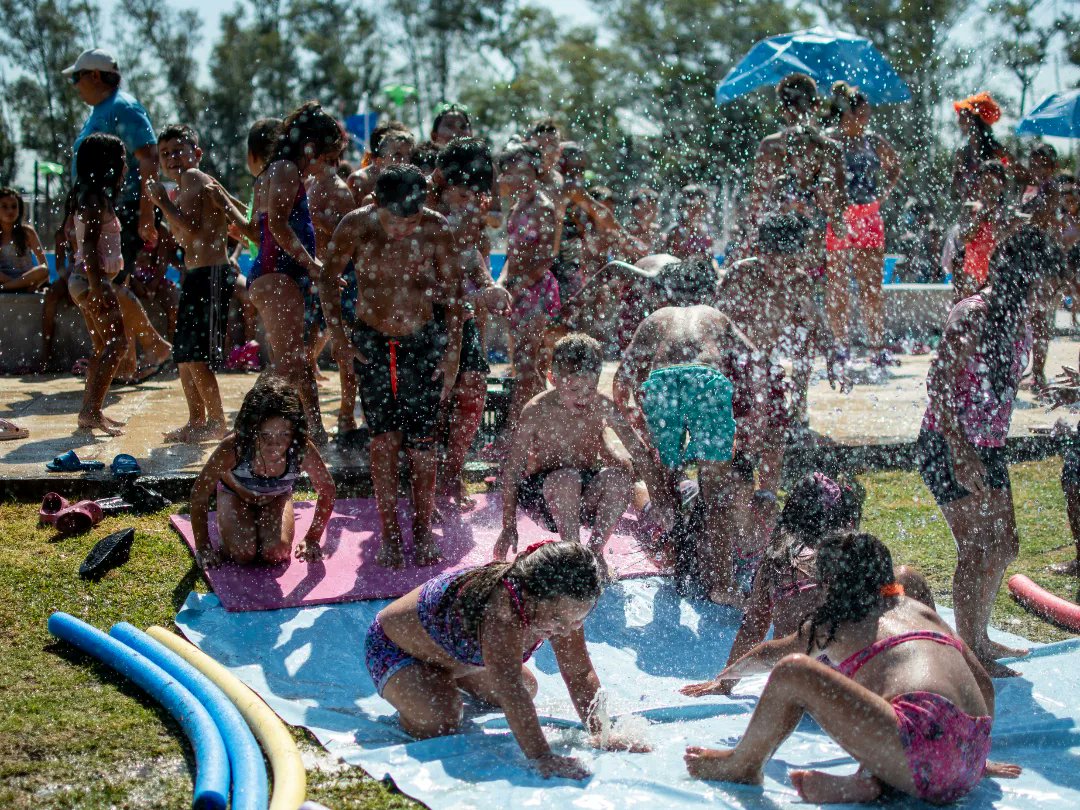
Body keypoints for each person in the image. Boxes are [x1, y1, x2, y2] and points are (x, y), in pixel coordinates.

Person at [682, 532, 1020, 805]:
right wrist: (971, 754)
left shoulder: (833, 624)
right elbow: (983, 684)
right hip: (970, 756)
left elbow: (770, 654)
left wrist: (725, 676)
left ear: (828, 583)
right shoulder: (920, 610)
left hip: (921, 750)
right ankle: (872, 783)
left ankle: (743, 764)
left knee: (793, 671)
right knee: (894, 707)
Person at [366, 540, 648, 778]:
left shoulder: (564, 604)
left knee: (528, 689)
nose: (564, 629)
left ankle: (446, 679)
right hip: (398, 649)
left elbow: (578, 672)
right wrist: (541, 756)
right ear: (530, 594)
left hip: (454, 655)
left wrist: (601, 733)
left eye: (576, 619)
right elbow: (509, 688)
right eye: (556, 619)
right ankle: (420, 697)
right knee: (442, 718)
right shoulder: (502, 613)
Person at [918, 226, 1063, 676]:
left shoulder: (1016, 316)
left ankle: (979, 636)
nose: (1055, 290)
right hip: (948, 444)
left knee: (1006, 544)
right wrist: (961, 451)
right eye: (1048, 280)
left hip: (989, 448)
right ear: (1023, 275)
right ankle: (970, 650)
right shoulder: (973, 313)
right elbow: (938, 385)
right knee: (978, 547)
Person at [321, 164, 462, 569]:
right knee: (383, 441)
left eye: (412, 220)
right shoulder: (356, 226)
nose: (404, 229)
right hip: (373, 341)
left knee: (423, 445)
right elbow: (328, 279)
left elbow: (452, 291)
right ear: (376, 204)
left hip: (422, 341)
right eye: (396, 220)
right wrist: (340, 338)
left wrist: (452, 352)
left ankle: (421, 530)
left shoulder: (435, 228)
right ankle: (389, 533)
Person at [613, 259, 770, 602]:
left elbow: (623, 376)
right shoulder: (716, 316)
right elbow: (755, 358)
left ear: (667, 293)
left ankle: (678, 563)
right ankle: (721, 584)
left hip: (662, 386)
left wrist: (632, 417)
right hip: (706, 381)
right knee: (716, 492)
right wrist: (756, 413)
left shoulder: (656, 317)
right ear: (710, 291)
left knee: (667, 481)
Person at [216, 105, 343, 446]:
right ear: (310, 148)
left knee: (298, 360)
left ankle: (314, 429)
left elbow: (260, 233)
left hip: (273, 275)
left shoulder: (275, 171)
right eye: (327, 158)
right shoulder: (286, 169)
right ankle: (241, 432)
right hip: (277, 276)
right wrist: (314, 266)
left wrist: (318, 267)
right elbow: (277, 226)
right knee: (288, 363)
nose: (326, 168)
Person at [496, 334, 666, 577]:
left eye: (591, 386)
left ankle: (594, 553)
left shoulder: (603, 406)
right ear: (553, 379)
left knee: (619, 478)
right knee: (567, 478)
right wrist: (508, 526)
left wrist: (659, 500)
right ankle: (573, 556)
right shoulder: (536, 411)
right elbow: (512, 470)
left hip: (583, 494)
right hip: (542, 497)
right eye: (575, 387)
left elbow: (639, 451)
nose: (584, 396)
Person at [65, 48, 173, 378]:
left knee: (106, 283)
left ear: (95, 76)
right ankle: (126, 363)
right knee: (105, 282)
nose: (75, 85)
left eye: (76, 77)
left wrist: (144, 214)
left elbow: (149, 156)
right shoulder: (103, 109)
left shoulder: (123, 107)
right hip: (103, 208)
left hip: (121, 212)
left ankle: (153, 348)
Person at [716, 214, 849, 447]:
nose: (781, 271)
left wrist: (832, 357)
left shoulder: (799, 281)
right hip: (734, 366)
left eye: (788, 264)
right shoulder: (740, 275)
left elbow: (816, 324)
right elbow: (714, 326)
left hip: (765, 364)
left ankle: (799, 409)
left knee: (806, 331)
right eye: (775, 262)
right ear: (760, 252)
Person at [431, 138, 511, 508]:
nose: (470, 203)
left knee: (473, 388)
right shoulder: (418, 207)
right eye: (463, 195)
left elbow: (472, 254)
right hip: (422, 318)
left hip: (460, 315)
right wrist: (468, 299)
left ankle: (452, 474)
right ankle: (426, 483)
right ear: (442, 180)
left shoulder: (471, 207)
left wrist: (489, 285)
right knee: (434, 400)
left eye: (476, 196)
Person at [189, 376, 335, 569]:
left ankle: (270, 509)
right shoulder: (235, 446)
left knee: (276, 552)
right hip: (234, 494)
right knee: (243, 553)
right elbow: (199, 493)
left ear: (294, 432)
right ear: (251, 430)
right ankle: (235, 515)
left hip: (276, 497)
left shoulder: (301, 448)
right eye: (265, 434)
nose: (274, 444)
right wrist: (203, 547)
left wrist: (312, 538)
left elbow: (328, 490)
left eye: (284, 434)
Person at [147, 124, 235, 443]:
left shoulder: (193, 177)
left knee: (195, 354)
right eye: (165, 153)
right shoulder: (189, 184)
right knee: (184, 354)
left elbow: (195, 231)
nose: (171, 158)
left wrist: (162, 204)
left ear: (196, 154)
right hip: (200, 274)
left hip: (210, 275)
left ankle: (216, 420)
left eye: (178, 150)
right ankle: (197, 420)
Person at [823, 82, 901, 369]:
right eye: (862, 113)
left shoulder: (873, 141)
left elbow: (896, 165)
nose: (866, 119)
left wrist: (883, 195)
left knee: (871, 287)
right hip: (840, 217)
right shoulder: (830, 140)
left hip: (868, 215)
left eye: (867, 114)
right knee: (838, 286)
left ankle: (876, 347)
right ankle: (841, 346)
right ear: (848, 113)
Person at [743, 73, 847, 278]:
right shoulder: (832, 149)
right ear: (816, 105)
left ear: (781, 109)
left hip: (778, 253)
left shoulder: (770, 147)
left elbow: (756, 206)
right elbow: (841, 209)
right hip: (818, 252)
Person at [67, 134, 133, 434]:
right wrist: (99, 286)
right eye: (121, 160)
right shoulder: (94, 200)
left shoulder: (88, 197)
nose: (125, 166)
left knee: (101, 348)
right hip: (90, 281)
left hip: (82, 281)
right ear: (106, 165)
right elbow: (90, 246)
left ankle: (91, 410)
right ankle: (91, 410)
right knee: (117, 344)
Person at [497, 142, 560, 439]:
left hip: (536, 293)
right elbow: (512, 253)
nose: (516, 177)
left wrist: (519, 287)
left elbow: (547, 257)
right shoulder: (519, 205)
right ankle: (536, 430)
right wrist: (500, 282)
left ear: (535, 171)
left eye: (523, 171)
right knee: (523, 365)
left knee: (528, 366)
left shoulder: (544, 207)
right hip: (518, 292)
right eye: (512, 171)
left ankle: (518, 433)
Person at [305, 131, 360, 435]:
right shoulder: (312, 186)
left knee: (345, 349)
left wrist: (317, 220)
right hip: (318, 275)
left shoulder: (340, 190)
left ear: (325, 158)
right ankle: (310, 418)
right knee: (308, 348)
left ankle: (346, 415)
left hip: (340, 275)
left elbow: (348, 234)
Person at [951, 92, 1012, 203]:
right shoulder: (961, 154)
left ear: (975, 120)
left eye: (963, 116)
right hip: (971, 214)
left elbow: (1008, 183)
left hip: (995, 211)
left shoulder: (997, 150)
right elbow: (955, 194)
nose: (958, 121)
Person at [347, 121, 414, 204]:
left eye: (408, 154)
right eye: (397, 155)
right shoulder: (359, 180)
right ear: (379, 158)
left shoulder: (413, 177)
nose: (405, 160)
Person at [0, 188, 49, 292]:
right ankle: (17, 286)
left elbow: (43, 263)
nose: (10, 211)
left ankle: (7, 287)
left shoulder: (27, 232)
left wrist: (42, 283)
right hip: (5, 279)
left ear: (19, 209)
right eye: (4, 206)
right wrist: (16, 282)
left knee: (43, 270)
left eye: (14, 206)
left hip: (27, 278)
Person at [661, 185, 715, 260]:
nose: (698, 213)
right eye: (694, 208)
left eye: (702, 209)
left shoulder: (705, 231)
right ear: (683, 208)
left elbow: (711, 258)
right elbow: (673, 259)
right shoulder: (676, 230)